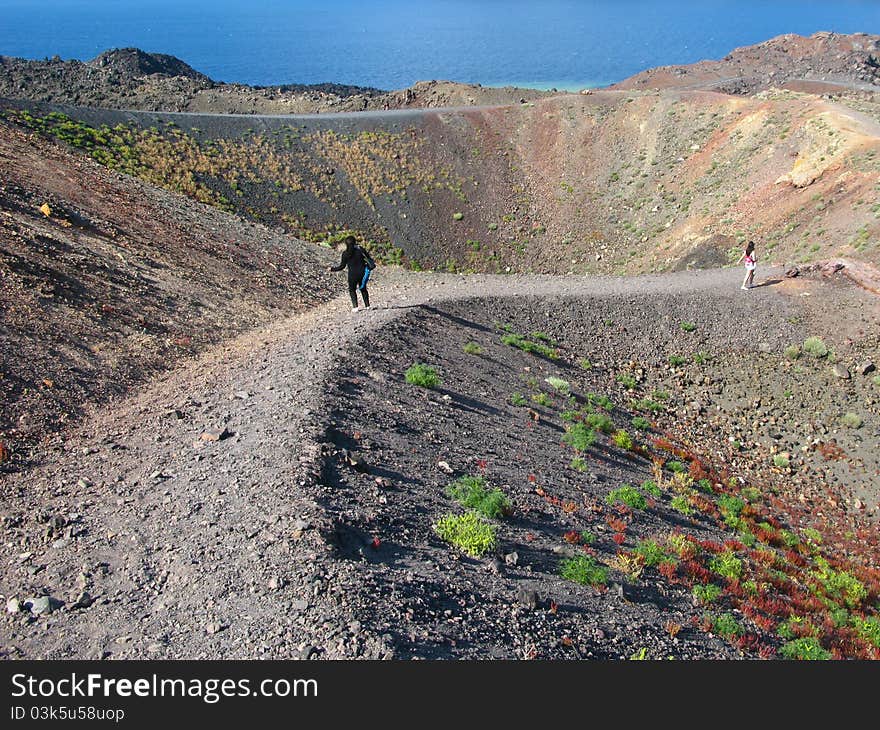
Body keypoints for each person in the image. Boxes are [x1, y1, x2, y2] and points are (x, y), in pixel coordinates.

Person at [328, 235, 374, 311]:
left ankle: (355, 307)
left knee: (352, 290)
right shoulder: (360, 250)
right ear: (355, 242)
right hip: (362, 273)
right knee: (363, 289)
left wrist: (332, 269)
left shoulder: (345, 254)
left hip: (352, 275)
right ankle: (367, 306)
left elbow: (342, 267)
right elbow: (368, 258)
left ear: (346, 244)